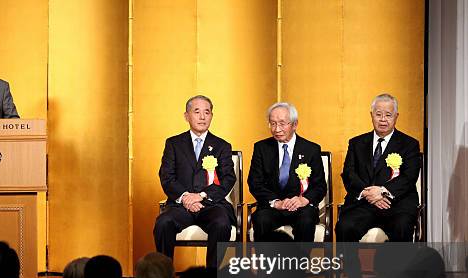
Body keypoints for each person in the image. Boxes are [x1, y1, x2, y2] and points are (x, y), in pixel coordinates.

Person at [154, 95, 236, 268]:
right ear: (186, 116)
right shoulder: (173, 144)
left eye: (207, 112)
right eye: (197, 112)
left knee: (222, 224)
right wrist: (185, 197)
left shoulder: (222, 146)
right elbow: (166, 177)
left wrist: (201, 196)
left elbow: (228, 178)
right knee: (163, 223)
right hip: (181, 206)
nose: (202, 117)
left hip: (212, 206)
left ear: (211, 116)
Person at [335, 93, 420, 242]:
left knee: (402, 227)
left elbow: (409, 177)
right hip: (363, 204)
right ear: (371, 115)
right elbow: (349, 173)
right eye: (378, 114)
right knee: (345, 226)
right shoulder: (356, 143)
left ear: (396, 116)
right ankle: (350, 266)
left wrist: (382, 192)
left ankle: (397, 266)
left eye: (388, 115)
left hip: (396, 205)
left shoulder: (409, 144)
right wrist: (368, 194)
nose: (383, 119)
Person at [248, 102, 326, 242]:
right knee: (261, 219)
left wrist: (303, 200)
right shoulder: (261, 148)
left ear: (294, 124)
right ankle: (268, 264)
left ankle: (298, 263)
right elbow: (255, 182)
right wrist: (276, 202)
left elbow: (319, 186)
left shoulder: (311, 149)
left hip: (301, 207)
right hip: (272, 207)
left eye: (282, 123)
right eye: (272, 123)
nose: (277, 129)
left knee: (306, 220)